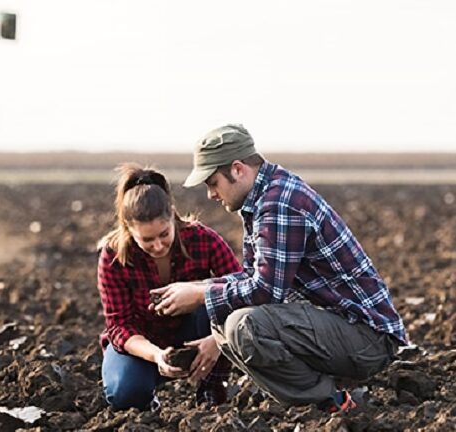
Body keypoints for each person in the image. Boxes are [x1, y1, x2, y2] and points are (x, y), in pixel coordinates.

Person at [154, 124, 408, 413]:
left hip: (368, 339)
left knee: (243, 326)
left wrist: (201, 296)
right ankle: (325, 390)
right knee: (227, 317)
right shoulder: (263, 197)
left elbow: (265, 291)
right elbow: (255, 276)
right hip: (340, 327)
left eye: (213, 183)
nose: (211, 194)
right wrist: (199, 288)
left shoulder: (278, 203)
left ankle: (333, 402)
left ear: (237, 169)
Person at [97, 163, 241, 410]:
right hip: (143, 342)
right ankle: (147, 401)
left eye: (164, 234)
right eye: (147, 240)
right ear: (129, 229)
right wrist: (155, 355)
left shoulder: (203, 240)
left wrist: (218, 341)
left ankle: (211, 394)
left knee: (215, 296)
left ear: (172, 215)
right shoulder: (113, 257)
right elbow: (119, 325)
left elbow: (243, 289)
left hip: (196, 332)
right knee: (125, 393)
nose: (158, 245)